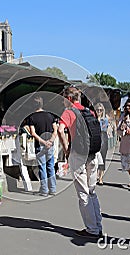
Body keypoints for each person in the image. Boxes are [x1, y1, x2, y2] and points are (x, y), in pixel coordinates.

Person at [57, 86, 103, 238]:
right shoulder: (88, 111)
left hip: (78, 154)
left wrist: (66, 149)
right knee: (92, 191)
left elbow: (60, 129)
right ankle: (98, 225)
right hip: (92, 154)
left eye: (64, 99)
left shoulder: (69, 112)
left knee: (83, 193)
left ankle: (92, 229)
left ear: (69, 99)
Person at [28, 96, 58, 196]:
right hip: (50, 145)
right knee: (51, 167)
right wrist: (51, 140)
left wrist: (43, 142)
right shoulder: (50, 115)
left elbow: (33, 133)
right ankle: (53, 189)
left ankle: (44, 190)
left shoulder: (32, 117)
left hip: (40, 145)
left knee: (42, 167)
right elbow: (55, 129)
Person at [94, 102, 109, 185]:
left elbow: (103, 129)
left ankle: (100, 177)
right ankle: (95, 175)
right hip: (96, 138)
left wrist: (99, 120)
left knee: (102, 158)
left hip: (103, 138)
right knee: (95, 158)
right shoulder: (93, 118)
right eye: (97, 110)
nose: (99, 111)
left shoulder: (105, 119)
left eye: (100, 110)